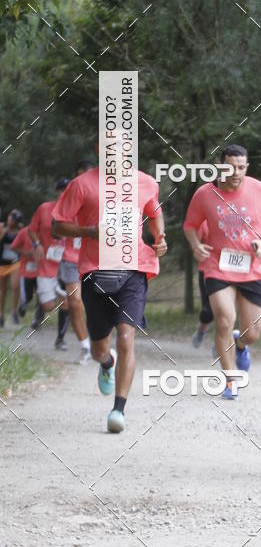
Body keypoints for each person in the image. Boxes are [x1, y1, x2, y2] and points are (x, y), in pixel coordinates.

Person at [52, 164, 167, 433]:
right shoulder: (82, 184)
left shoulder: (146, 182)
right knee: (99, 350)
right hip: (96, 271)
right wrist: (90, 232)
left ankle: (118, 409)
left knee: (127, 336)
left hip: (134, 270)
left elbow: (154, 212)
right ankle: (107, 363)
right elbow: (57, 226)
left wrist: (160, 237)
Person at [183, 145, 261, 399]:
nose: (236, 172)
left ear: (247, 167)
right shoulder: (205, 194)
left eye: (241, 167)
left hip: (253, 268)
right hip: (218, 265)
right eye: (230, 167)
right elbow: (190, 225)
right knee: (224, 319)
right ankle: (230, 379)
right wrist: (196, 245)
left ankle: (240, 345)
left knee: (253, 333)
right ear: (220, 166)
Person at [51, 176, 91, 361]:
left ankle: (99, 341)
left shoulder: (91, 201)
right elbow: (54, 230)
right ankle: (85, 346)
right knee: (74, 301)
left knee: (93, 304)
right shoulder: (63, 208)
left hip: (93, 258)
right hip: (70, 260)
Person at [191, 220, 214, 348]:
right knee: (208, 311)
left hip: (228, 271)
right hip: (207, 271)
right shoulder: (204, 223)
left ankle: (222, 343)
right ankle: (202, 329)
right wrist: (197, 247)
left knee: (225, 311)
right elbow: (194, 246)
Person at [0, 209, 24, 326]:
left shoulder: (20, 229)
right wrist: (5, 231)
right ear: (8, 216)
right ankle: (1, 315)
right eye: (12, 218)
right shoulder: (2, 226)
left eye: (16, 220)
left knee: (15, 286)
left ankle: (14, 312)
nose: (13, 221)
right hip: (2, 263)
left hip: (15, 262)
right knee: (3, 290)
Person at [10, 223, 38, 320]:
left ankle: (37, 319)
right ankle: (22, 304)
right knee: (28, 297)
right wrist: (25, 253)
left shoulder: (47, 231)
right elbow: (13, 246)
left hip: (42, 270)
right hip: (27, 271)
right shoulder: (24, 232)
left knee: (42, 295)